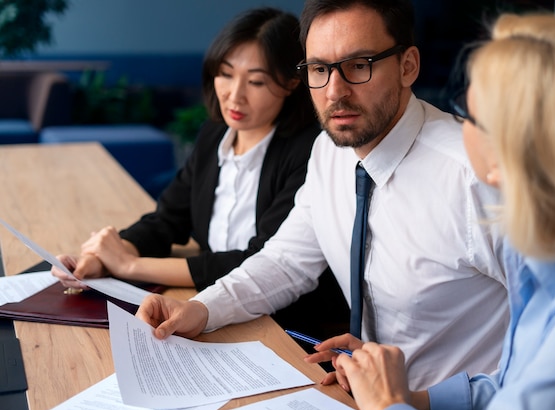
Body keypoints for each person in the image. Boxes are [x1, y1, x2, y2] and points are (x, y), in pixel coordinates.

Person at [136, 0, 509, 390]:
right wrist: (201, 309)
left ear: (408, 66)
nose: (334, 91)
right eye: (319, 69)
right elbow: (286, 262)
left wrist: (428, 402)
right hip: (361, 395)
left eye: (358, 65)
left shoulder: (478, 175)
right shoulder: (329, 152)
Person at [333, 13, 555, 410]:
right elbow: (513, 388)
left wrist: (386, 407)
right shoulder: (552, 259)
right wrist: (412, 400)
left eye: (469, 115)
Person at [51, 7, 349, 337]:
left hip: (285, 326)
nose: (234, 95)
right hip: (215, 309)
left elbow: (260, 261)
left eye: (256, 81)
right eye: (225, 74)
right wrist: (103, 261)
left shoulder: (311, 152)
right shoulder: (214, 134)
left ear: (292, 83)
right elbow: (167, 220)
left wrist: (130, 266)